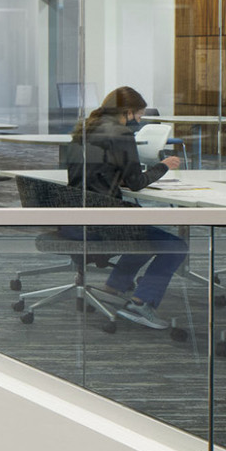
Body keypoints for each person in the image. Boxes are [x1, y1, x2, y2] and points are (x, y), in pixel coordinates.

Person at [62, 85, 187, 330]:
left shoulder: (85, 129)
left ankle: (115, 286)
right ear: (128, 112)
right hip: (101, 225)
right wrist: (163, 165)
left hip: (73, 220)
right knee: (174, 246)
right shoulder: (120, 134)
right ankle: (142, 303)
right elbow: (136, 182)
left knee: (142, 231)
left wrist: (112, 176)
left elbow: (93, 171)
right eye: (138, 116)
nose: (138, 122)